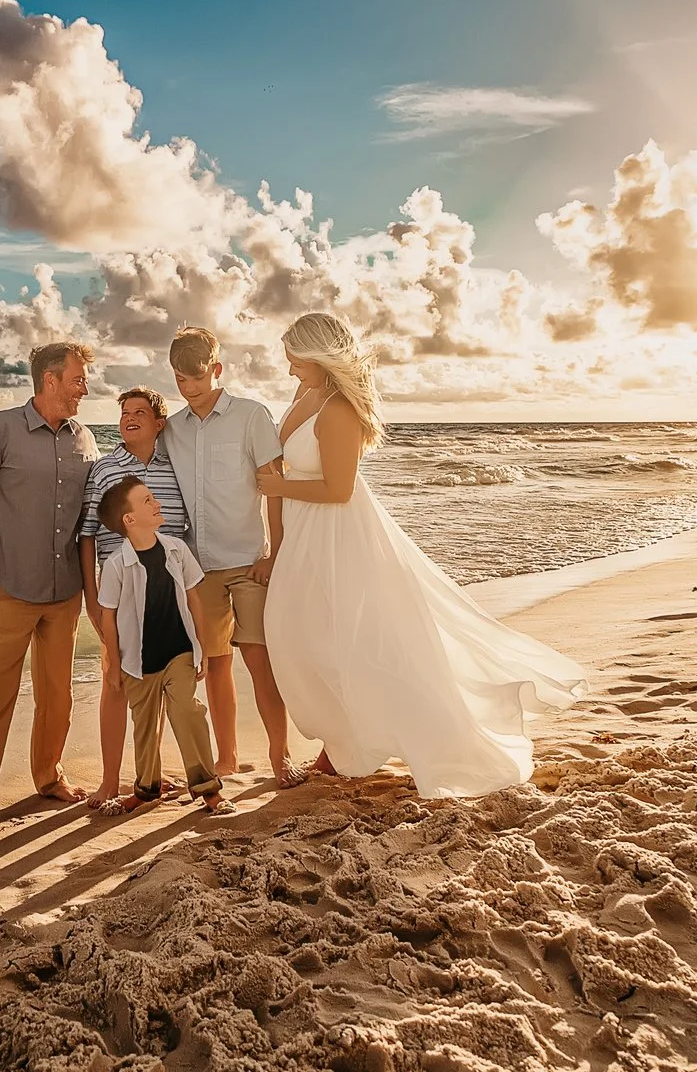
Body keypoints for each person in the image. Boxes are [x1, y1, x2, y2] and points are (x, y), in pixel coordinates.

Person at [255, 311, 585, 797]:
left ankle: (345, 749)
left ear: (321, 357)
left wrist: (280, 486)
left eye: (296, 362)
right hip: (303, 534)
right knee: (302, 637)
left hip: (337, 536)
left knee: (341, 640)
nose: (290, 371)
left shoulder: (339, 409)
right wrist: (276, 544)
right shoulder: (306, 395)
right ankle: (343, 742)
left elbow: (340, 490)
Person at [0, 340, 98, 836]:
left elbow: (89, 519)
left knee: (58, 698)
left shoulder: (85, 438)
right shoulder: (1, 428)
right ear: (49, 380)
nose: (83, 389)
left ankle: (49, 777)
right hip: (8, 588)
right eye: (77, 380)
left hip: (64, 593)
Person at [162, 327, 299, 786]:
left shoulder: (251, 416)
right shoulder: (173, 430)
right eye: (180, 379)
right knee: (216, 665)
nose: (189, 387)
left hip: (248, 563)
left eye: (197, 377)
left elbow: (274, 488)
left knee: (260, 662)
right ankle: (227, 758)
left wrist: (275, 554)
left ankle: (280, 756)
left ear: (216, 369)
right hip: (200, 571)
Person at [79, 387, 193, 811]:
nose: (129, 418)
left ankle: (151, 775)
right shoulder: (105, 470)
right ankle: (110, 780)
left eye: (139, 413)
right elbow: (87, 535)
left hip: (168, 592)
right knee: (115, 682)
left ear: (159, 423)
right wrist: (92, 598)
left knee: (159, 681)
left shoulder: (178, 468)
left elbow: (183, 530)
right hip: (121, 589)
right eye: (124, 412)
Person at [93, 474, 232, 816]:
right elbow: (108, 618)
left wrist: (201, 646)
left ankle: (208, 789)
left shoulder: (176, 550)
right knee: (144, 726)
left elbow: (194, 599)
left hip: (179, 651)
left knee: (186, 710)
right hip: (137, 661)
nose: (157, 504)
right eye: (148, 501)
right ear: (129, 519)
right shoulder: (115, 565)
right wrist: (113, 665)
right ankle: (146, 789)